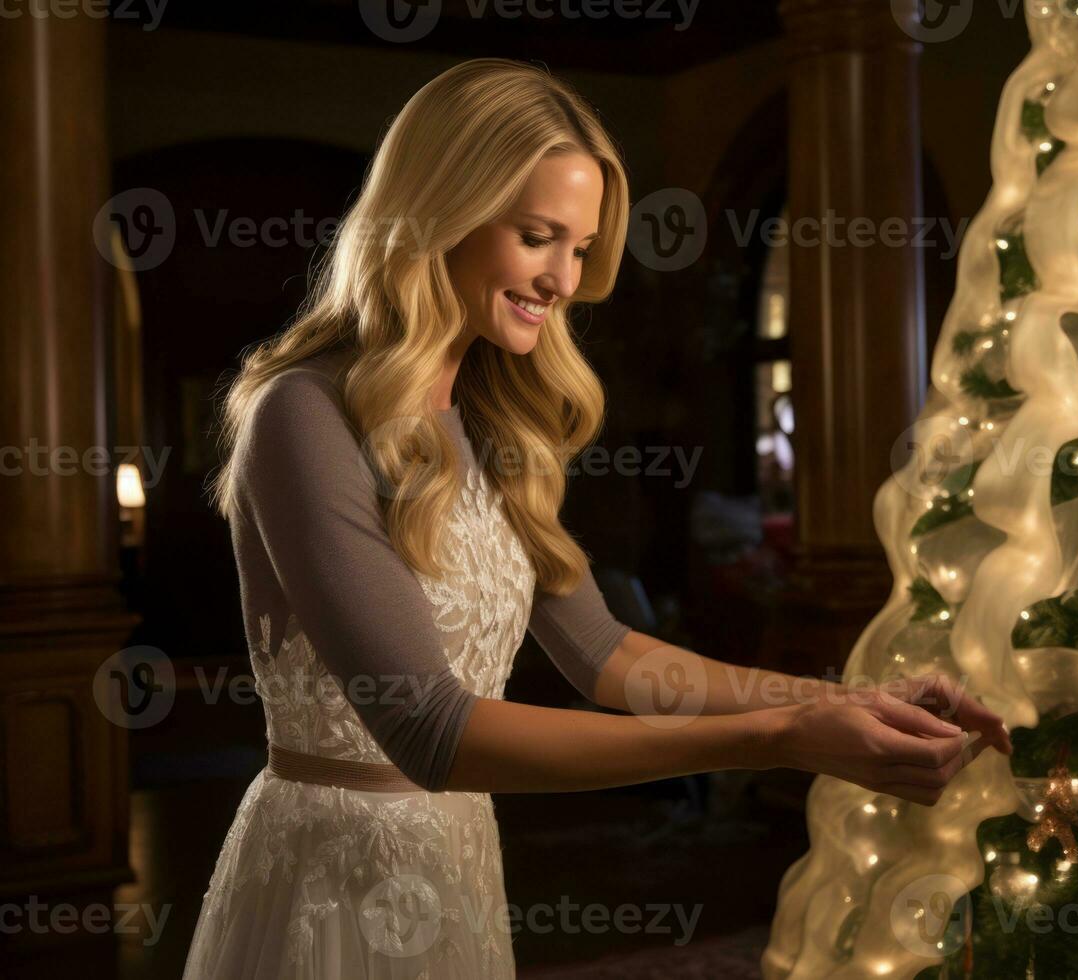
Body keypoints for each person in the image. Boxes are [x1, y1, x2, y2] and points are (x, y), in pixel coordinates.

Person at [185, 58, 1013, 979]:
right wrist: (778, 739)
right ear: (438, 212)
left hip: (456, 860)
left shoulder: (495, 428)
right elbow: (427, 729)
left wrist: (844, 701)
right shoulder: (303, 413)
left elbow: (610, 658)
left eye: (579, 248)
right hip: (328, 882)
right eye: (538, 237)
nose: (564, 279)